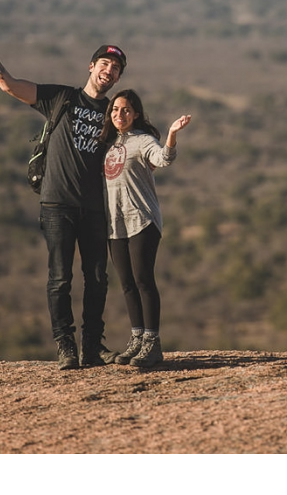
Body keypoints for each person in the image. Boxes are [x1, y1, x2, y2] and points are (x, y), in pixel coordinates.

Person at [0, 20, 124, 370]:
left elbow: (137, 147)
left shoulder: (115, 114)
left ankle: (93, 346)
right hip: (57, 204)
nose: (109, 71)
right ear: (91, 66)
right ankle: (66, 346)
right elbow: (7, 84)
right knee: (60, 277)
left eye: (116, 69)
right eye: (105, 64)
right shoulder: (61, 97)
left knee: (97, 278)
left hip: (95, 207)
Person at [99, 89, 192, 368]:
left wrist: (172, 134)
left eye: (126, 110)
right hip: (115, 224)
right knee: (127, 284)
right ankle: (137, 338)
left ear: (136, 113)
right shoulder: (106, 143)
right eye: (115, 110)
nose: (119, 115)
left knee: (143, 280)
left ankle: (152, 343)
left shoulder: (143, 140)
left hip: (142, 220)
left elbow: (164, 158)